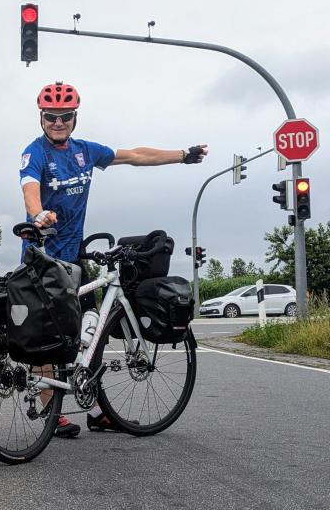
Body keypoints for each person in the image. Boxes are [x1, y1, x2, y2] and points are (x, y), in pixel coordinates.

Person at [19, 81, 208, 437]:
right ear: (41, 118)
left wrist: (183, 155)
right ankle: (50, 412)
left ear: (74, 118)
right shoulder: (35, 153)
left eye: (65, 117)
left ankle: (98, 410)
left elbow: (135, 156)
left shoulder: (85, 151)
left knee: (94, 334)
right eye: (51, 117)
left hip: (74, 257)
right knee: (47, 338)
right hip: (43, 258)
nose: (58, 123)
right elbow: (30, 189)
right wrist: (38, 214)